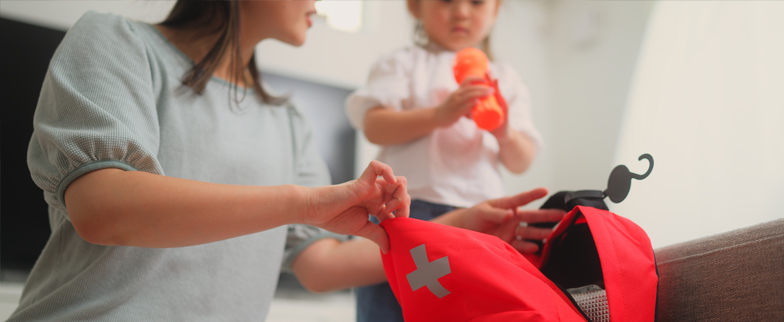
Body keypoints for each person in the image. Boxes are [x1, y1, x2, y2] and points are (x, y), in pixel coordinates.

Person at [8, 1, 562, 321]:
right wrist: (306, 203)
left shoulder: (289, 124)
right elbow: (104, 208)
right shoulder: (115, 42)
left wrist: (463, 227)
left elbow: (320, 268)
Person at [344, 0, 544, 321]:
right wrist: (440, 115)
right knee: (389, 303)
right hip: (407, 211)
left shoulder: (505, 78)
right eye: (446, 0)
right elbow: (374, 126)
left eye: (477, 2)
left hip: (479, 218)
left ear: (496, 9)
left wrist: (504, 131)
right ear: (415, 7)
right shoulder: (404, 62)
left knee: (461, 309)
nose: (461, 12)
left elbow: (522, 160)